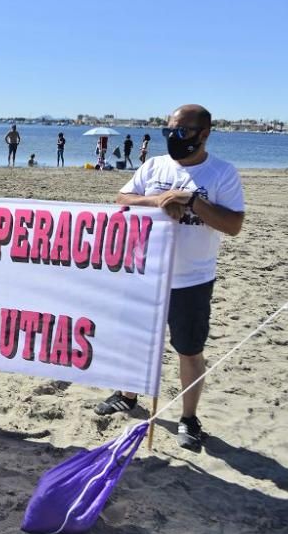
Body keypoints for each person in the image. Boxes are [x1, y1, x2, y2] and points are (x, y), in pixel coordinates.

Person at [93, 104, 245, 451]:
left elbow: (233, 225)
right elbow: (122, 198)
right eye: (168, 131)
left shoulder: (222, 173)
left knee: (189, 350)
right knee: (134, 339)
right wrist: (159, 200)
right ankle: (127, 395)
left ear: (203, 134)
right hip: (146, 272)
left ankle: (189, 419)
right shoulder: (154, 165)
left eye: (181, 132)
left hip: (192, 278)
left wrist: (193, 202)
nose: (174, 138)